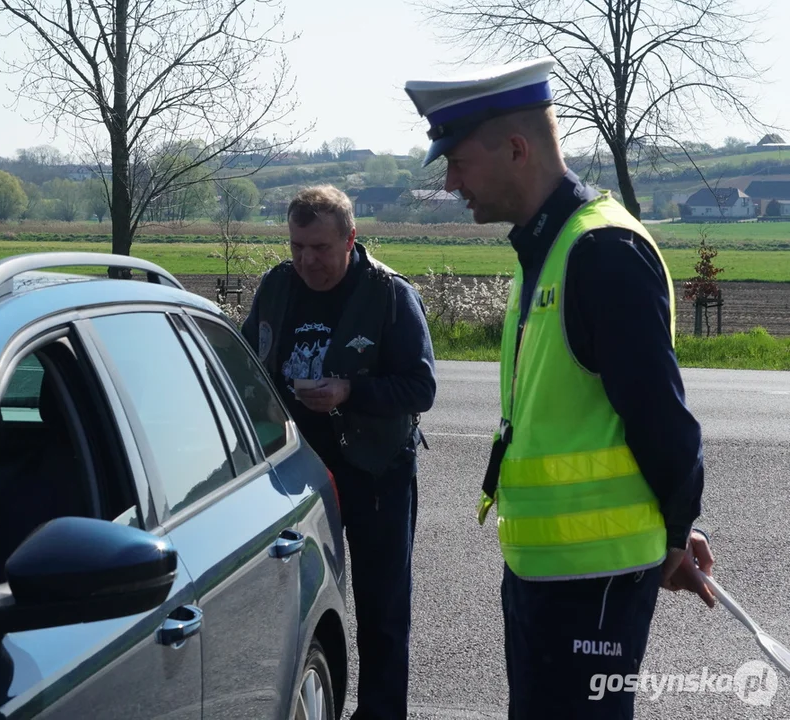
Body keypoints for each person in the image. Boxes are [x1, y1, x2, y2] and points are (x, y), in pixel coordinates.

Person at [403, 58, 716, 718]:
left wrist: (672, 528)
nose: (450, 180)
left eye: (457, 161)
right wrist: (667, 526)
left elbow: (661, 419)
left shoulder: (598, 250)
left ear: (516, 149)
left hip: (589, 583)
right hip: (553, 576)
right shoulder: (548, 249)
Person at [240, 185, 437, 720]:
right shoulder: (276, 288)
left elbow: (421, 388)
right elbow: (245, 371)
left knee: (382, 611)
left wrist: (351, 393)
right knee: (291, 605)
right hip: (294, 475)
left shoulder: (390, 294)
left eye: (320, 248)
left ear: (351, 239)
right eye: (296, 246)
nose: (307, 261)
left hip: (376, 473)